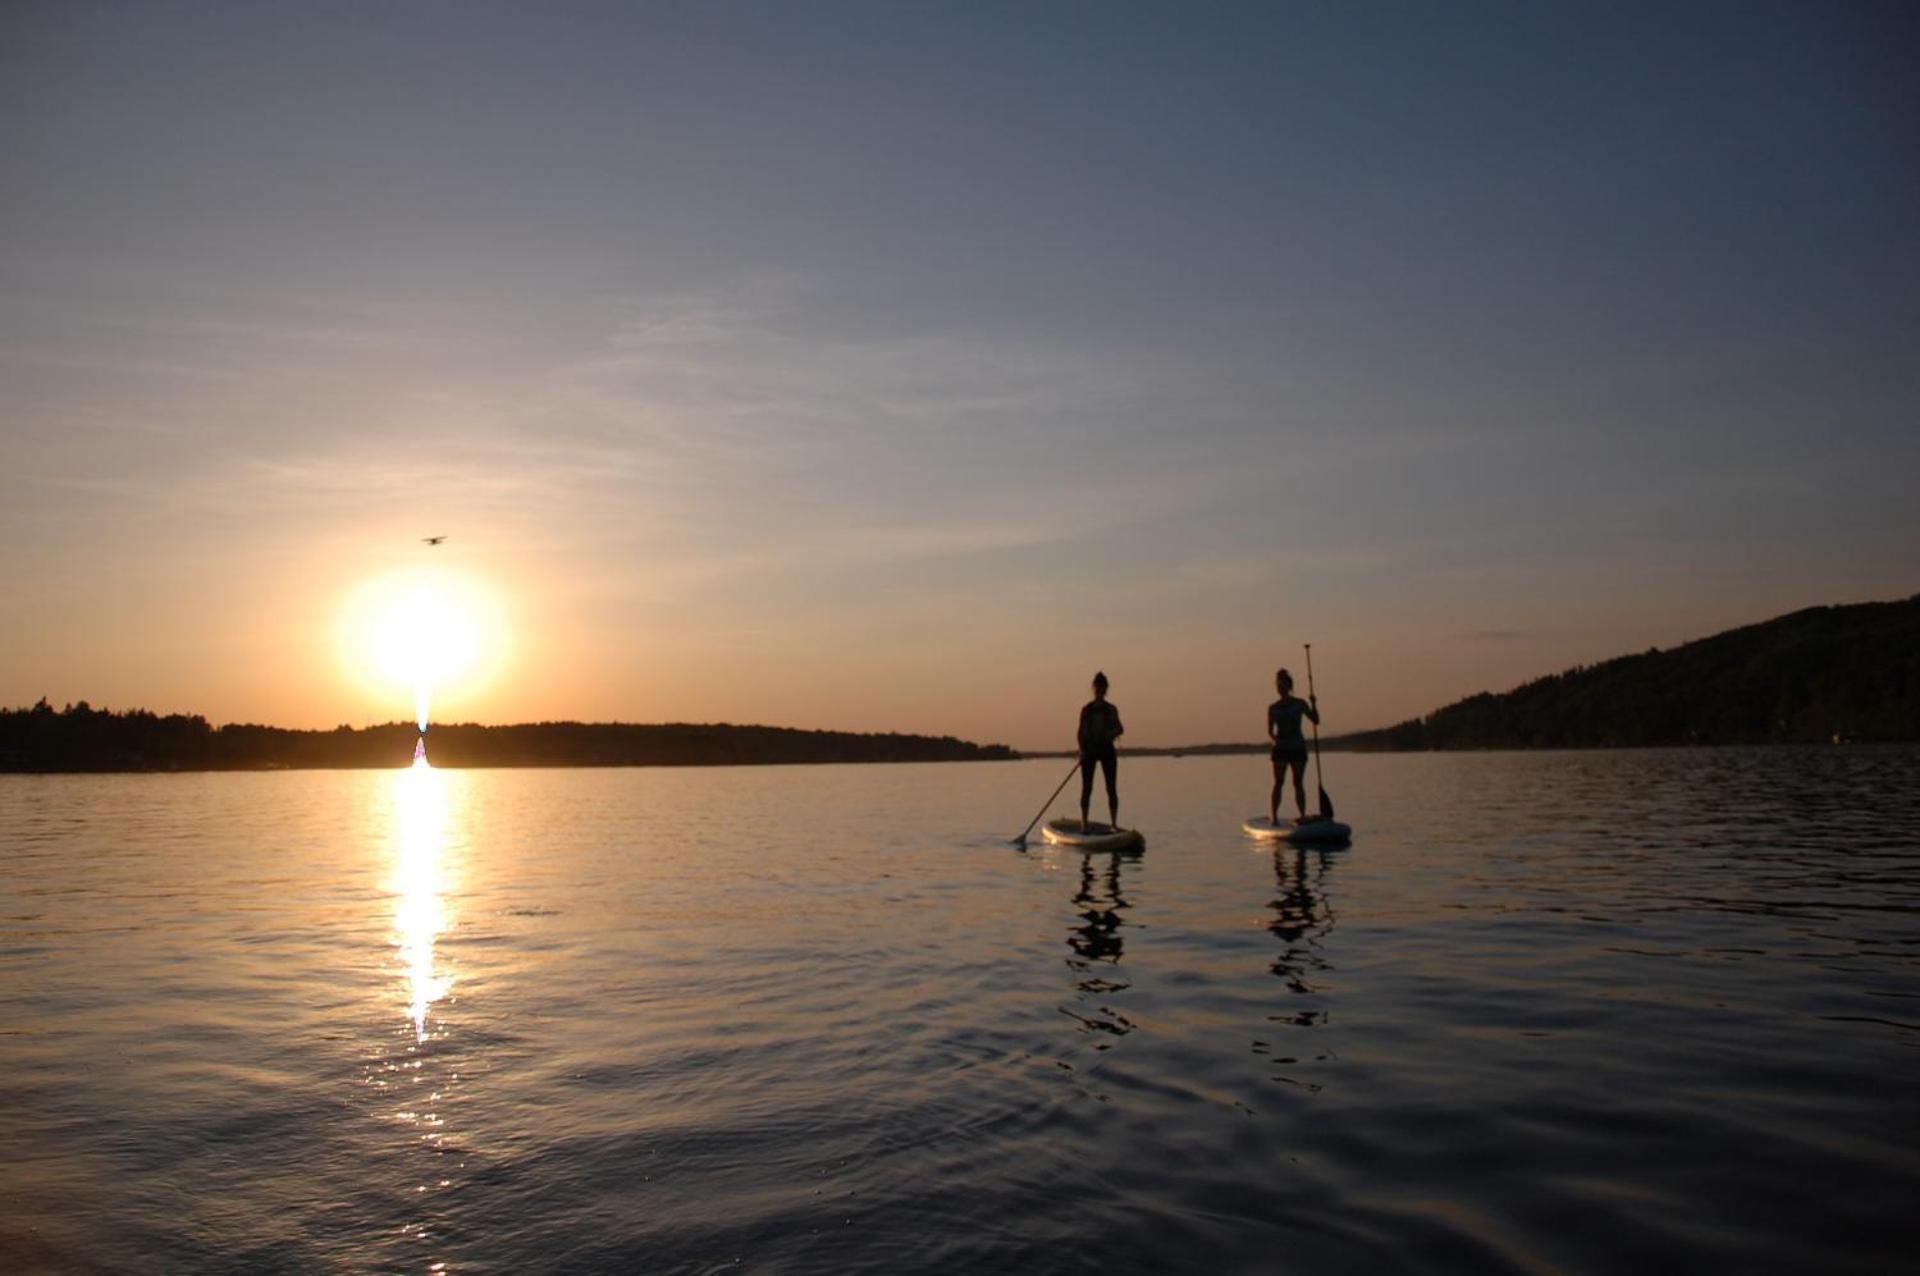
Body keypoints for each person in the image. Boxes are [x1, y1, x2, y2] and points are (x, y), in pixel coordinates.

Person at [1268, 668, 1320, 824]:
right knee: (1278, 782)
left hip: (1297, 748)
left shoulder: (1300, 704)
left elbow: (1316, 720)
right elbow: (1270, 731)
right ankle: (1275, 818)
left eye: (1283, 686)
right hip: (1281, 749)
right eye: (1278, 686)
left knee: (1298, 783)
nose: (1280, 689)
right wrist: (1276, 739)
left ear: (1289, 686)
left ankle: (1302, 815)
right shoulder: (1273, 708)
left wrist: (1313, 704)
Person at [1077, 671, 1124, 832]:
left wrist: (1109, 734)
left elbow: (1120, 728)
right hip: (1090, 751)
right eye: (1098, 688)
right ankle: (1084, 823)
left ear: (1106, 689)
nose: (1100, 691)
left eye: (1102, 688)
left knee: (1111, 788)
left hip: (1106, 750)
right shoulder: (1087, 710)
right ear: (1094, 688)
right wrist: (1082, 750)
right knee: (1087, 788)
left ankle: (1114, 824)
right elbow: (1080, 733)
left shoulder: (1111, 709)